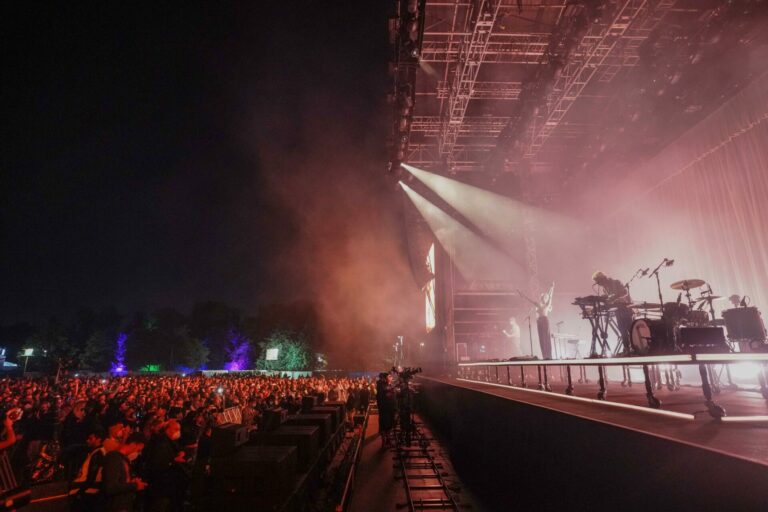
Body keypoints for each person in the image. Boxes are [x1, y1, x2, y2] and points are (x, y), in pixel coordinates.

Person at [144, 420, 188, 512]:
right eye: (175, 429)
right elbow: (158, 462)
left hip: (167, 483)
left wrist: (181, 452)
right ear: (167, 429)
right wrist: (174, 460)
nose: (178, 432)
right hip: (161, 484)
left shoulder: (169, 440)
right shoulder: (161, 442)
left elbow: (178, 449)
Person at [101, 432, 147, 512]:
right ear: (134, 444)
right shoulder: (114, 458)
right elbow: (111, 486)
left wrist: (132, 482)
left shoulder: (124, 459)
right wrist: (134, 486)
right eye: (138, 449)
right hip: (115, 507)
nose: (138, 452)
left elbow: (121, 482)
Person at [593, 271, 633, 354]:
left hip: (626, 307)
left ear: (603, 278)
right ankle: (627, 348)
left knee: (630, 328)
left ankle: (634, 347)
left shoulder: (616, 282)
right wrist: (605, 299)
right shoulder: (605, 288)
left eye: (599, 282)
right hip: (618, 309)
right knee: (622, 329)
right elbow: (610, 299)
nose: (599, 284)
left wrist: (614, 297)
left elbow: (625, 292)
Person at [69, 426, 107, 511]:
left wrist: (81, 492)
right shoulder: (95, 452)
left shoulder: (98, 454)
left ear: (99, 439)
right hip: (86, 492)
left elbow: (92, 475)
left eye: (91, 438)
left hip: (87, 493)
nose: (87, 441)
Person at [519, 283, 555, 359]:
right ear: (542, 298)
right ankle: (544, 355)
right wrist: (522, 295)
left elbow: (550, 296)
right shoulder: (538, 304)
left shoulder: (547, 304)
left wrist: (551, 288)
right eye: (544, 297)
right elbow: (530, 300)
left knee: (546, 337)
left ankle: (549, 355)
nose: (545, 298)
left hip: (545, 320)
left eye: (546, 297)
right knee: (541, 338)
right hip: (539, 321)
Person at [375, 373, 395, 447]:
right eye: (389, 376)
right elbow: (385, 396)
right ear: (385, 378)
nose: (391, 377)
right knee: (384, 426)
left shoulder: (387, 385)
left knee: (389, 426)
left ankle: (388, 441)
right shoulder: (381, 386)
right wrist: (391, 391)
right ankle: (384, 442)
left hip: (389, 409)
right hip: (385, 409)